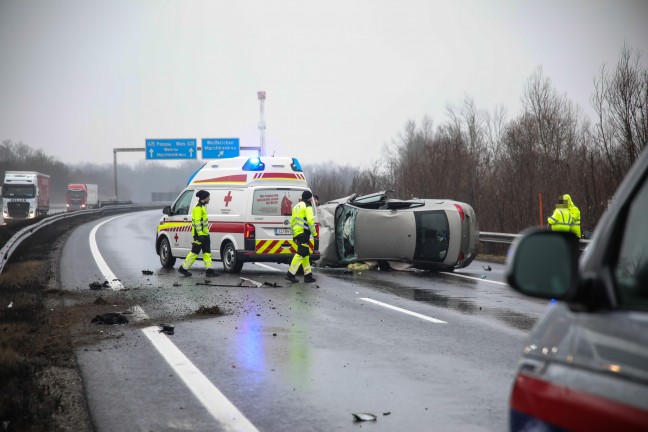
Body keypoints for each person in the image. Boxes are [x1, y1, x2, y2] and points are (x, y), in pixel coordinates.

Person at [178, 190, 217, 277]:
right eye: (208, 197)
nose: (209, 199)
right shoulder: (198, 208)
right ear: (205, 198)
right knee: (194, 252)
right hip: (200, 235)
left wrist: (205, 234)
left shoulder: (202, 207)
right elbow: (197, 222)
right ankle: (183, 268)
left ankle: (209, 271)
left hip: (205, 234)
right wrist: (200, 235)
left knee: (207, 252)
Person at [286, 191, 318, 283]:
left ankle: (308, 275)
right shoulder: (307, 206)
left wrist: (294, 235)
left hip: (297, 233)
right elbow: (310, 221)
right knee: (301, 253)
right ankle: (290, 274)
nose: (312, 199)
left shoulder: (296, 206)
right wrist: (314, 234)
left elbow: (292, 222)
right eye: (311, 198)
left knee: (305, 254)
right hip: (303, 233)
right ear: (309, 198)